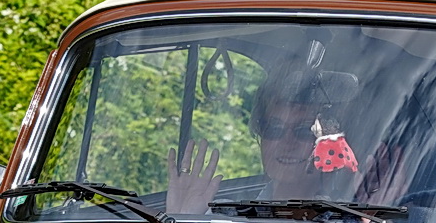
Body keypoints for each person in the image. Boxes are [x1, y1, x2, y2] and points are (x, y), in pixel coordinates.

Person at [165, 66, 409, 215]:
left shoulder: (351, 220)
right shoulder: (227, 215)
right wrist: (182, 218)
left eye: (304, 131)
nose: (286, 141)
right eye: (273, 128)